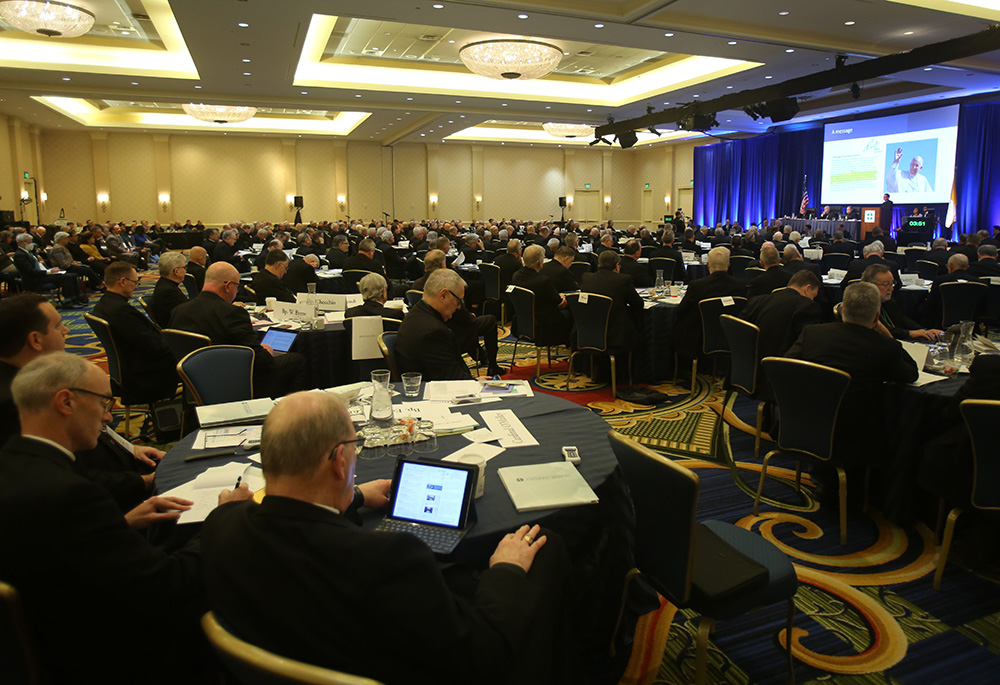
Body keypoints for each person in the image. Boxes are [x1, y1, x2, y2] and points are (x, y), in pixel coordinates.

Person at [202, 390, 577, 685]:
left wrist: (358, 496)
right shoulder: (388, 558)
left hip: (304, 649)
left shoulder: (223, 525)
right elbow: (484, 656)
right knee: (544, 548)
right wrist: (505, 571)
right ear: (340, 461)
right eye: (353, 447)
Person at [0, 352, 252, 683]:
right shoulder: (71, 495)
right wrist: (224, 516)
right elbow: (170, 586)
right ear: (66, 402)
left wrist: (120, 524)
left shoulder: (15, 462)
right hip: (107, 655)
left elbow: (55, 545)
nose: (109, 418)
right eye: (105, 402)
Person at [786, 282, 918, 466]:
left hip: (803, 421)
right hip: (857, 434)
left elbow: (785, 367)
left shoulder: (813, 334)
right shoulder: (885, 347)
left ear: (842, 310)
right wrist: (887, 335)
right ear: (876, 317)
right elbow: (911, 374)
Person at [169, 262, 306, 398]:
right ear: (228, 286)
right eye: (237, 286)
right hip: (233, 381)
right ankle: (286, 413)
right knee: (297, 360)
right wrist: (266, 352)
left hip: (193, 380)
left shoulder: (179, 310)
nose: (237, 291)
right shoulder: (232, 313)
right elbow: (259, 361)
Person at [92, 261, 179, 401]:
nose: (136, 287)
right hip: (144, 373)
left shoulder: (104, 304)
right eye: (135, 282)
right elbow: (154, 347)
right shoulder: (121, 311)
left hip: (128, 366)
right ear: (122, 281)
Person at [396, 268, 474, 380]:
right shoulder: (434, 332)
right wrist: (475, 384)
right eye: (458, 301)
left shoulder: (415, 314)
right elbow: (454, 382)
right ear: (443, 295)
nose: (459, 307)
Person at [674, 247, 747, 358]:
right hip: (733, 337)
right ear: (728, 265)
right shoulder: (740, 286)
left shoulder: (697, 286)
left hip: (700, 340)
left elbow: (680, 312)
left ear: (707, 265)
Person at [742, 270, 822, 361]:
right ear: (807, 289)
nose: (813, 299)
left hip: (749, 362)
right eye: (814, 296)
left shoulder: (756, 301)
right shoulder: (807, 306)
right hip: (783, 366)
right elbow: (807, 343)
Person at [580, 250, 644, 350]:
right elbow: (639, 304)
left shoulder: (586, 278)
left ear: (599, 264)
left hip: (588, 331)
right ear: (617, 265)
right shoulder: (623, 280)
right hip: (615, 334)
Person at [861, 264, 942, 341]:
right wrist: (910, 333)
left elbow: (903, 320)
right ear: (870, 285)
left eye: (892, 284)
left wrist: (925, 331)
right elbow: (883, 332)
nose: (891, 289)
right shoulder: (864, 306)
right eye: (886, 285)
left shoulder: (888, 302)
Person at [511, 245, 571, 345]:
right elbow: (559, 303)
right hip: (543, 325)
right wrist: (563, 298)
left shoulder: (516, 276)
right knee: (569, 314)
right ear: (540, 262)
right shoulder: (543, 281)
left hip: (523, 321)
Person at [12, 232, 87, 306]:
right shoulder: (20, 255)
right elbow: (30, 271)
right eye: (29, 242)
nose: (31, 244)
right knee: (67, 277)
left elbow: (38, 265)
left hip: (41, 274)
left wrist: (51, 270)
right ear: (21, 243)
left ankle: (77, 298)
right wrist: (48, 272)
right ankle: (69, 301)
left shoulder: (28, 252)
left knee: (72, 275)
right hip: (34, 279)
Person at [149, 251, 190, 328]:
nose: (186, 271)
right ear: (176, 271)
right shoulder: (168, 291)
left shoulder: (165, 283)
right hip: (178, 330)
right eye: (184, 267)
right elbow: (187, 312)